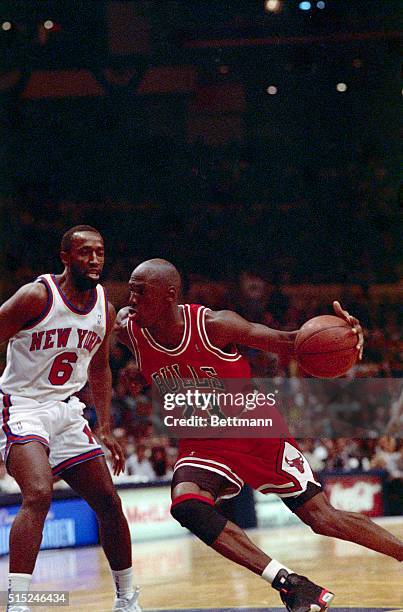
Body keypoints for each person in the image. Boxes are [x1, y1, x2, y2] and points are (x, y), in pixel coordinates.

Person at [115, 258, 403, 612]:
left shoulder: (214, 326)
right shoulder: (128, 329)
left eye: (140, 291)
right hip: (203, 439)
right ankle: (289, 583)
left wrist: (349, 335)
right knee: (186, 505)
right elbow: (97, 354)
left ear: (169, 295)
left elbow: (290, 341)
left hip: (254, 429)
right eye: (130, 289)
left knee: (322, 519)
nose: (130, 297)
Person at [0, 226, 141, 612]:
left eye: (100, 252)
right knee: (39, 492)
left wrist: (106, 427)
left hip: (66, 410)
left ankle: (127, 598)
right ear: (65, 257)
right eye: (84, 252)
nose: (94, 260)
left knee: (109, 501)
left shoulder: (103, 307)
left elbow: (99, 369)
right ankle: (18, 604)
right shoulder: (36, 296)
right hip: (23, 404)